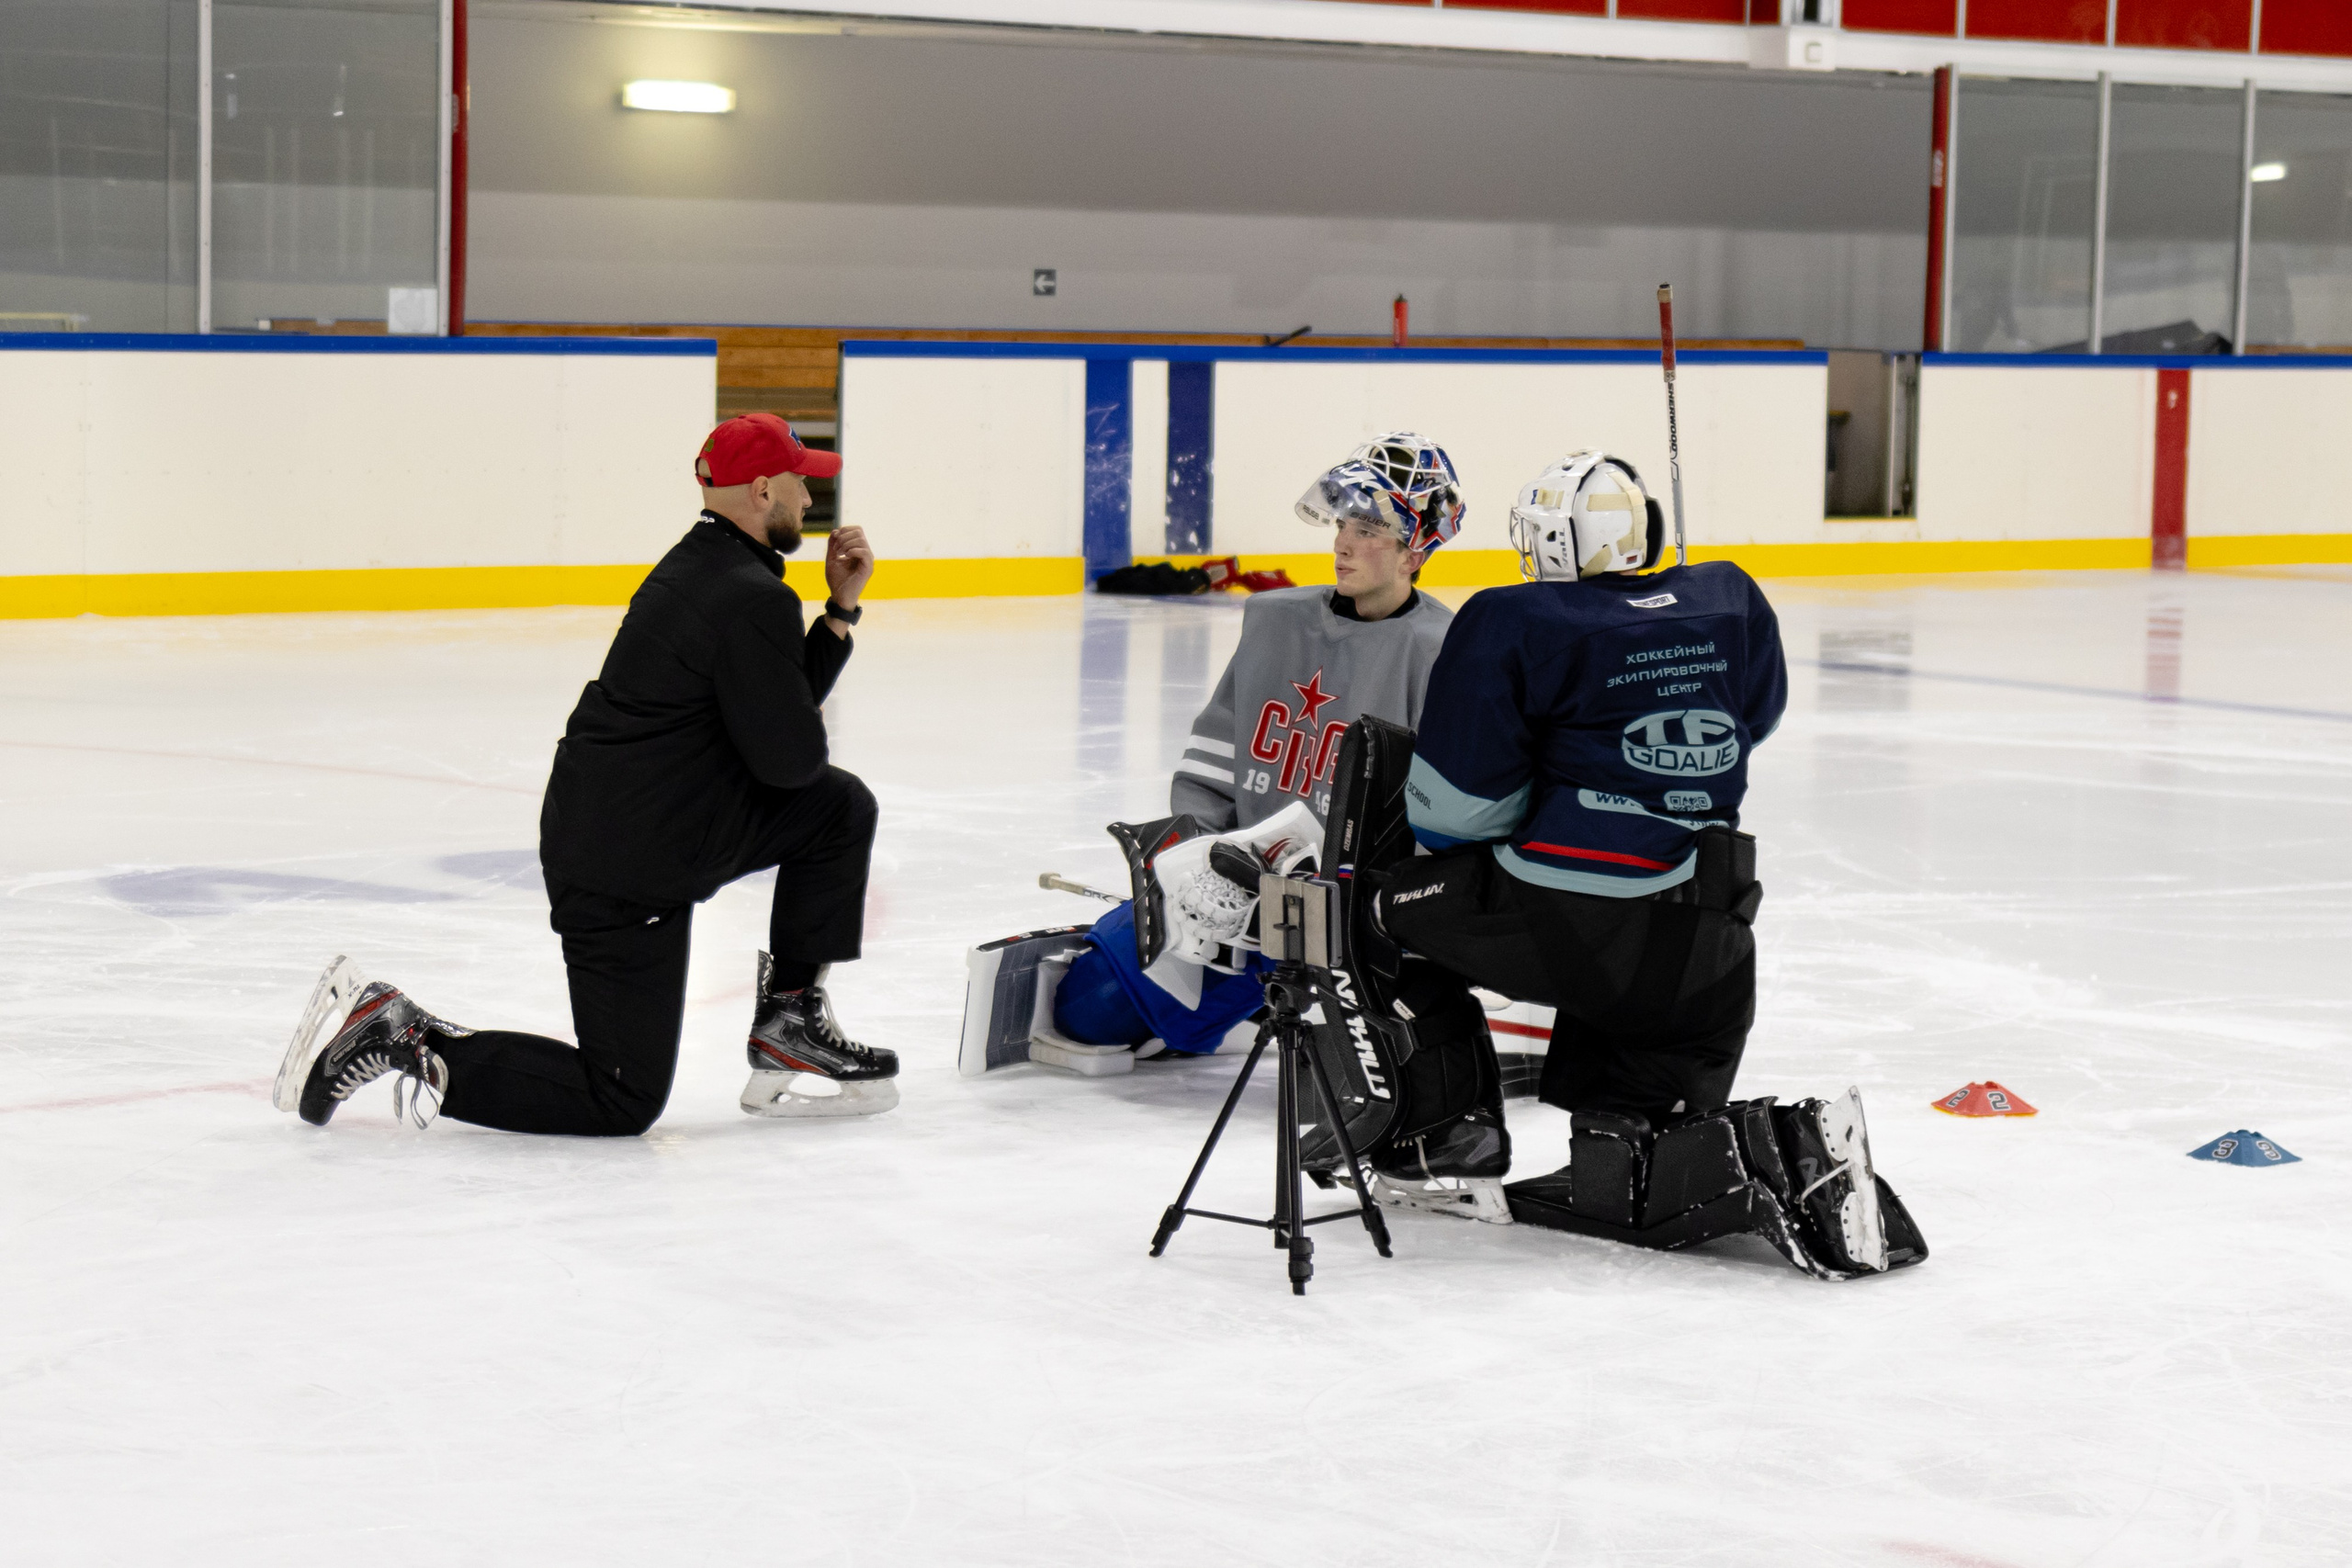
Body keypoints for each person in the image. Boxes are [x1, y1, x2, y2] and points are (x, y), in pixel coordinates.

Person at [1366, 449, 1928, 1278]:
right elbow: (1753, 719)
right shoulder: (1727, 597)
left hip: (1567, 924)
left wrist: (1563, 803)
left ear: (1554, 542)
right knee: (1625, 1148)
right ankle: (1639, 1145)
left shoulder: (1511, 620)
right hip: (1709, 944)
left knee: (1368, 909)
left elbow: (1455, 814)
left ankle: (1441, 1140)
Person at [273, 412, 899, 1135]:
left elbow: (774, 718)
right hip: (632, 862)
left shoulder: (705, 566)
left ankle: (790, 1017)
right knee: (620, 1095)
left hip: (625, 829)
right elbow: (790, 759)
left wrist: (839, 611)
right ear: (762, 490)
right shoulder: (751, 598)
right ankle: (405, 1035)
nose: (808, 497)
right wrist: (831, 623)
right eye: (798, 481)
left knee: (837, 806)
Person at [957, 434, 1464, 1075]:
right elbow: (1214, 761)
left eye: (1366, 528)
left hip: (1343, 919)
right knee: (1083, 1010)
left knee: (1341, 1070)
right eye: (1342, 522)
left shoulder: (1441, 651)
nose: (1341, 543)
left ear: (1415, 547)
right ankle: (1235, 1002)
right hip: (1232, 898)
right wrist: (1198, 858)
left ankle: (1257, 1001)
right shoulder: (1276, 620)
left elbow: (1439, 822)